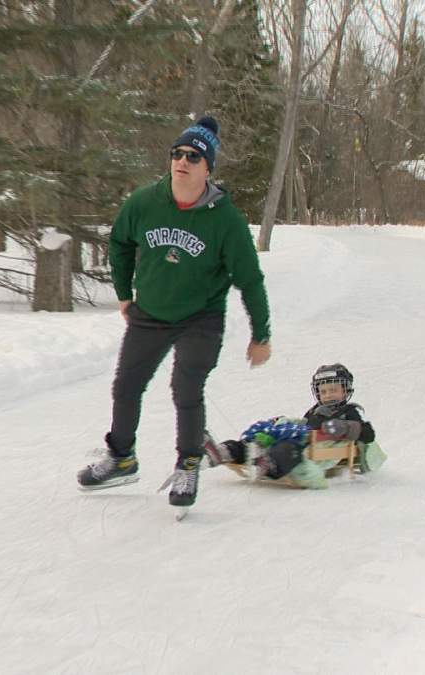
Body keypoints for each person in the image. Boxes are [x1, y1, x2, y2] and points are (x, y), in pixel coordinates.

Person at [76, 115, 272, 509]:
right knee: (127, 386)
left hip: (201, 316)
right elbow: (119, 242)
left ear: (207, 168)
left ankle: (189, 463)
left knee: (185, 389)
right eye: (177, 153)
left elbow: (250, 278)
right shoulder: (145, 202)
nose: (182, 161)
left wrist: (261, 334)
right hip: (149, 311)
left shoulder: (226, 220)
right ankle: (122, 458)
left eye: (193, 157)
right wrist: (123, 294)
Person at [203, 363, 386, 488]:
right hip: (306, 439)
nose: (328, 395)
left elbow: (368, 435)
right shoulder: (315, 410)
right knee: (268, 437)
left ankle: (269, 464)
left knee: (288, 448)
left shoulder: (350, 410)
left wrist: (346, 427)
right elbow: (304, 425)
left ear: (345, 391)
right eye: (323, 391)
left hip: (319, 446)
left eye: (333, 390)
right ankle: (228, 451)